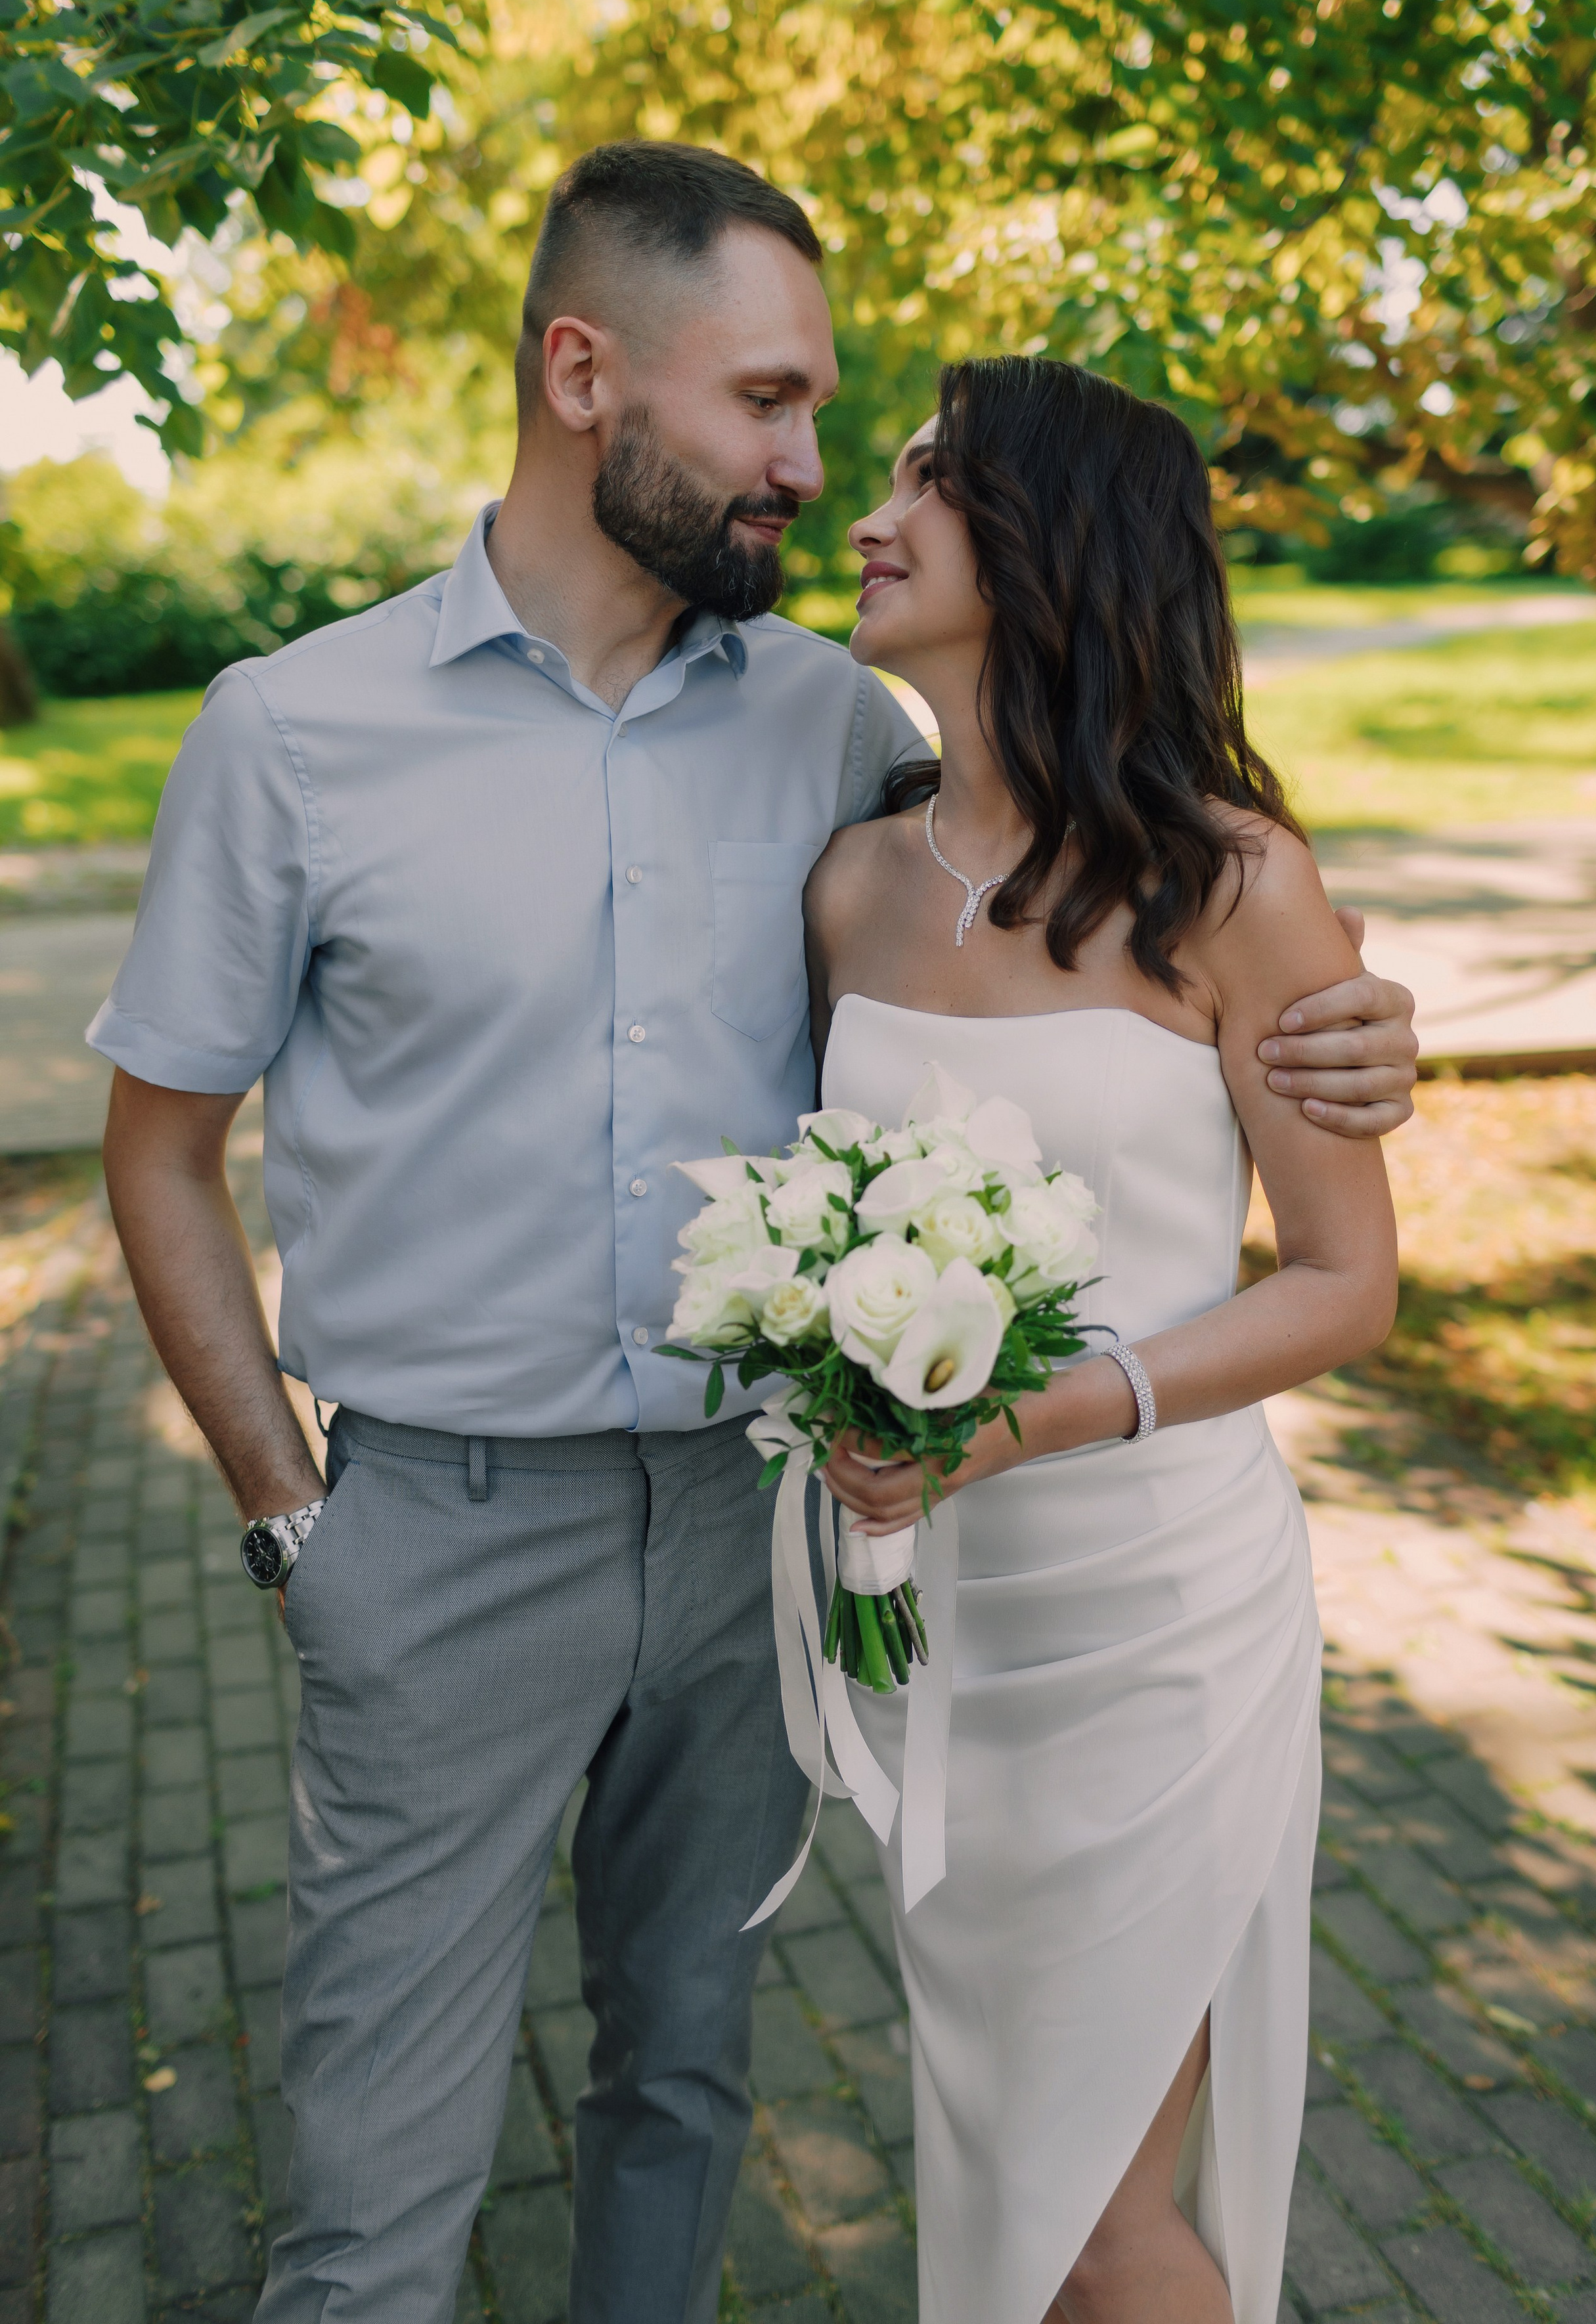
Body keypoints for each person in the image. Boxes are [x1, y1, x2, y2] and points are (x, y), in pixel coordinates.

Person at [91, 143, 1416, 2324]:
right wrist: (284, 1516)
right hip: (444, 1529)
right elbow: (159, 1144)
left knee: (689, 2090)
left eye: (848, 432)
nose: (814, 473)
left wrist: (1358, 1032)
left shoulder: (832, 732)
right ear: (585, 371)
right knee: (371, 2189)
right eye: (772, 407)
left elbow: (1134, 942)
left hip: (778, 1534)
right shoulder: (299, 735)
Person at [803, 356, 1401, 2324]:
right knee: (1003, 2167)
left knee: (1093, 2219)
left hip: (1156, 1626)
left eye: (926, 482)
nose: (867, 516)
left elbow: (1340, 1282)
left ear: (1055, 541)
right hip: (933, 1620)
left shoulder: (1233, 886)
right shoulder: (850, 887)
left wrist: (1053, 1412)